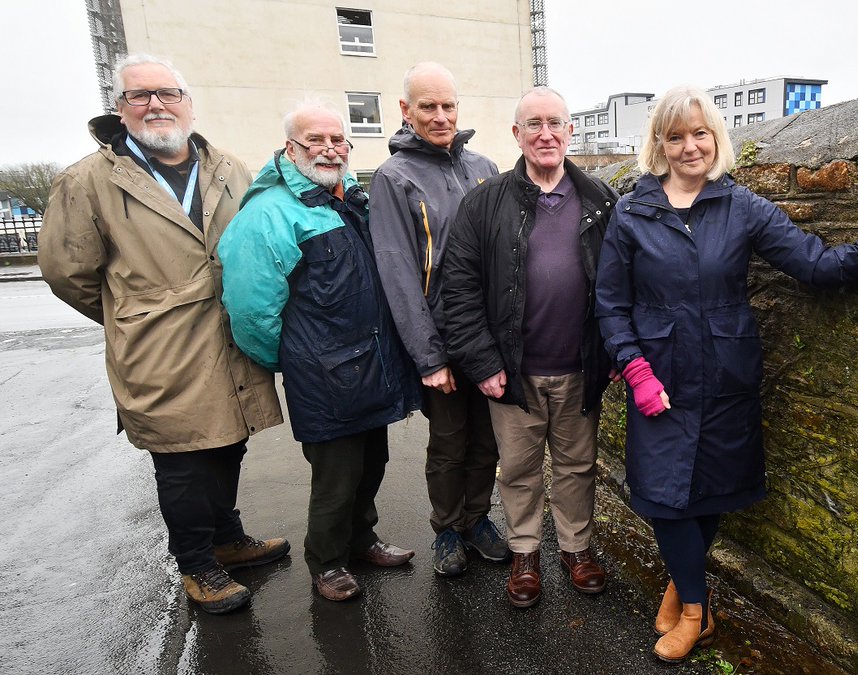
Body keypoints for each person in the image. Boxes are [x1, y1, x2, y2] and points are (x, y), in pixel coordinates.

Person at [594, 85, 858, 662]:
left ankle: (684, 594)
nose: (690, 146)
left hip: (725, 375)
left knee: (709, 491)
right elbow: (610, 304)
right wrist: (635, 369)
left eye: (700, 133)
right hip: (658, 379)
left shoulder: (743, 206)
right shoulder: (632, 213)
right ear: (658, 144)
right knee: (661, 498)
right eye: (675, 136)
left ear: (716, 137)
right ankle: (699, 610)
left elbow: (813, 263)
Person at [38, 54, 288, 615]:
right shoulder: (88, 180)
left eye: (167, 93)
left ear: (187, 102)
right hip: (160, 349)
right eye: (139, 96)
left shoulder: (225, 166)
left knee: (230, 440)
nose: (155, 104)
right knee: (182, 459)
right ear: (120, 109)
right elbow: (66, 272)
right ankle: (198, 564)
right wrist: (134, 317)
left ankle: (228, 536)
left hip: (230, 337)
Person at [217, 101, 423, 602]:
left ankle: (361, 541)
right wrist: (296, 360)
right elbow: (250, 312)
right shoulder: (269, 214)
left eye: (338, 140)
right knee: (336, 475)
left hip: (370, 365)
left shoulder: (349, 197)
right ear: (291, 148)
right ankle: (327, 563)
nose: (330, 149)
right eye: (316, 141)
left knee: (371, 462)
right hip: (324, 374)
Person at [441, 86, 618, 608]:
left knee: (576, 465)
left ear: (570, 131)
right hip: (512, 373)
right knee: (518, 468)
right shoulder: (484, 202)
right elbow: (459, 286)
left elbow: (621, 285)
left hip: (580, 367)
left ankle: (576, 548)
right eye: (533, 124)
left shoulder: (601, 201)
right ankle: (524, 551)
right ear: (516, 135)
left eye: (556, 123)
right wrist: (482, 361)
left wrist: (609, 354)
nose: (546, 133)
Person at [371, 62, 508, 577]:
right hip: (441, 340)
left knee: (486, 438)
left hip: (489, 338)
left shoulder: (485, 167)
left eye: (448, 105)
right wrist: (428, 357)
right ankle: (448, 528)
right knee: (450, 442)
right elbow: (399, 272)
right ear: (406, 111)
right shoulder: (394, 176)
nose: (440, 115)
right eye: (428, 106)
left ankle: (477, 520)